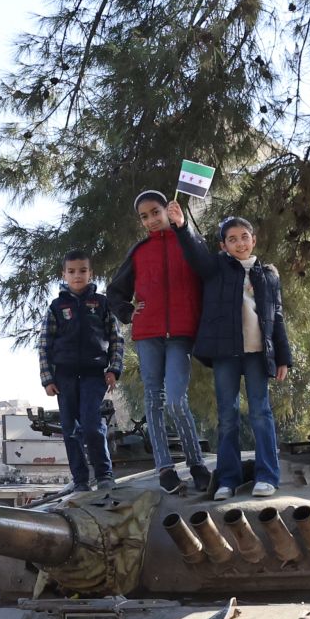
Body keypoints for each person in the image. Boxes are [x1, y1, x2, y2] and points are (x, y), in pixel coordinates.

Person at [168, 202, 292, 499]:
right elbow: (195, 254)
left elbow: (277, 318)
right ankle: (228, 479)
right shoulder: (216, 269)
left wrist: (284, 358)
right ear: (223, 245)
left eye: (244, 237)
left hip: (257, 354)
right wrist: (182, 226)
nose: (239, 243)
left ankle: (267, 476)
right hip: (225, 353)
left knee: (261, 412)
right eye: (232, 239)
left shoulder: (268, 275)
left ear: (254, 240)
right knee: (228, 415)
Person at [108, 190, 211, 493]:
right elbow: (115, 293)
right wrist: (129, 311)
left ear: (168, 209)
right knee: (154, 400)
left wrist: (184, 228)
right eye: (144, 216)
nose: (151, 220)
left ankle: (196, 464)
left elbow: (206, 269)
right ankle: (164, 467)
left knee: (178, 400)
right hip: (148, 334)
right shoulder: (139, 252)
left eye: (156, 212)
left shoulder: (188, 242)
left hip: (181, 333)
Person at [37, 248, 124, 492]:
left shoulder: (101, 304)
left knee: (91, 423)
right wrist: (47, 378)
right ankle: (80, 479)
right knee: (70, 428)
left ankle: (104, 474)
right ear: (64, 274)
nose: (78, 276)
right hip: (64, 376)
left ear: (91, 273)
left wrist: (114, 369)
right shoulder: (56, 307)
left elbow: (116, 339)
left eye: (83, 271)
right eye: (72, 271)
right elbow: (44, 344)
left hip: (93, 373)